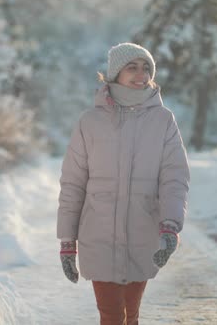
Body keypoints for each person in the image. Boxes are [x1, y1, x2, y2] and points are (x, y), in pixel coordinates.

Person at [57, 42, 190, 325]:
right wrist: (67, 242)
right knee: (112, 316)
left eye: (146, 68)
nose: (141, 74)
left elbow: (174, 178)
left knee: (131, 315)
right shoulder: (89, 122)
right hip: (98, 235)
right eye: (132, 67)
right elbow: (72, 184)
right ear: (115, 72)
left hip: (142, 234)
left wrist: (170, 226)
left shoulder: (163, 120)